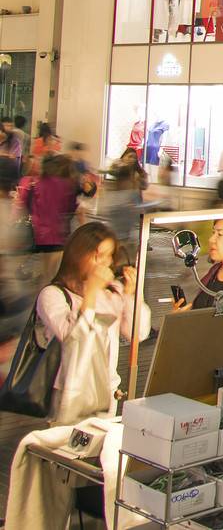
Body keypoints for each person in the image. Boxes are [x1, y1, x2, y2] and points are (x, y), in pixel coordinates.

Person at [34, 221, 151, 424]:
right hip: (69, 392)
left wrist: (132, 296)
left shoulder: (112, 291)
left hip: (107, 391)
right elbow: (72, 336)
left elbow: (137, 333)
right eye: (97, 255)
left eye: (108, 256)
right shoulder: (53, 295)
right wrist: (91, 292)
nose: (103, 263)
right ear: (78, 254)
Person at [18, 153, 87, 275]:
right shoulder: (67, 186)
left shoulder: (35, 183)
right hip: (58, 235)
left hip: (38, 234)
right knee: (52, 273)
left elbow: (25, 205)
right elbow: (71, 208)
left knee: (43, 271)